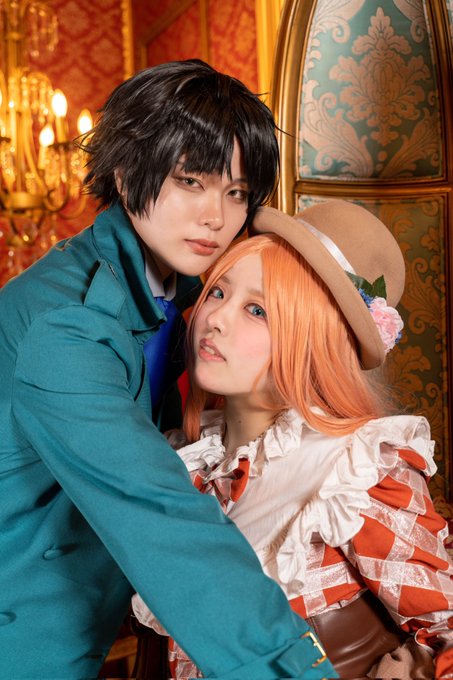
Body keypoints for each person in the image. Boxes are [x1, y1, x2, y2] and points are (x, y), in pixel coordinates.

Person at [0, 60, 337, 679]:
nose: (216, 217)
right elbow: (155, 511)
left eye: (236, 192)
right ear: (127, 174)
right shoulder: (66, 327)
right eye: (190, 181)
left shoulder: (186, 297)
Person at [132, 199, 453, 679]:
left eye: (257, 309)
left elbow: (446, 626)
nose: (215, 318)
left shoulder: (355, 473)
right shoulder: (184, 464)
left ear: (312, 341)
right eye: (218, 291)